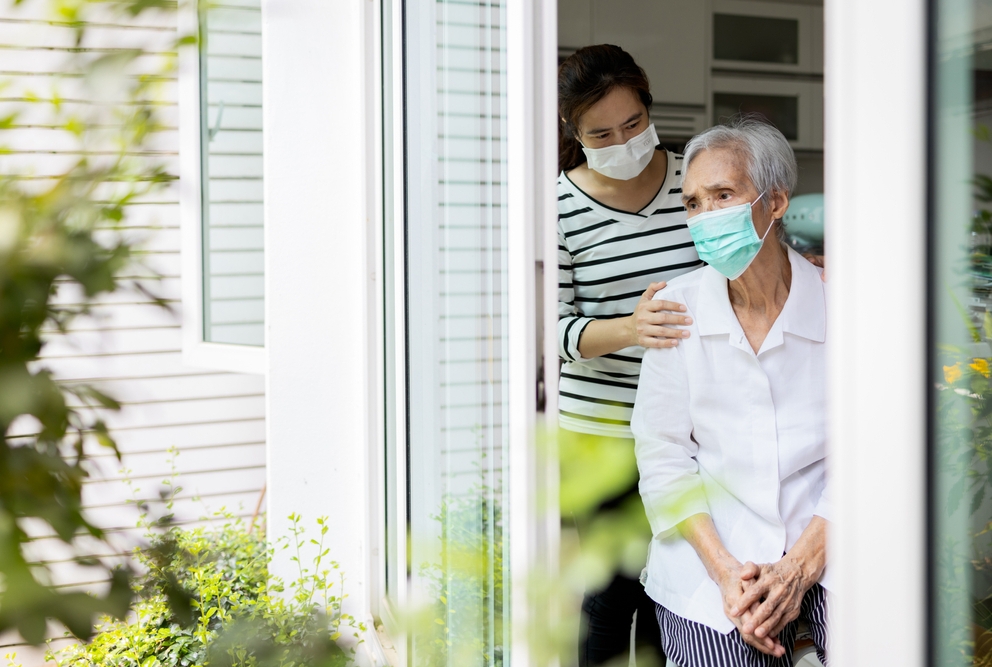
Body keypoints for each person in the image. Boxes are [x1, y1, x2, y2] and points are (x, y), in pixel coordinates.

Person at [631, 117, 830, 667]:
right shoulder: (675, 309)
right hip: (711, 558)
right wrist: (725, 574)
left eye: (723, 195)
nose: (706, 215)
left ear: (776, 202)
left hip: (828, 539)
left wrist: (799, 568)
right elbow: (663, 456)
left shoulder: (840, 300)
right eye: (693, 203)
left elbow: (872, 451)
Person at [556, 44, 700, 667]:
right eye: (601, 134)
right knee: (614, 595)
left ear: (649, 106)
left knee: (680, 589)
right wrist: (631, 328)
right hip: (601, 434)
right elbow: (551, 331)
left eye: (633, 123)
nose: (622, 141)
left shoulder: (695, 178)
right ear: (573, 131)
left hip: (692, 425)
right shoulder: (558, 206)